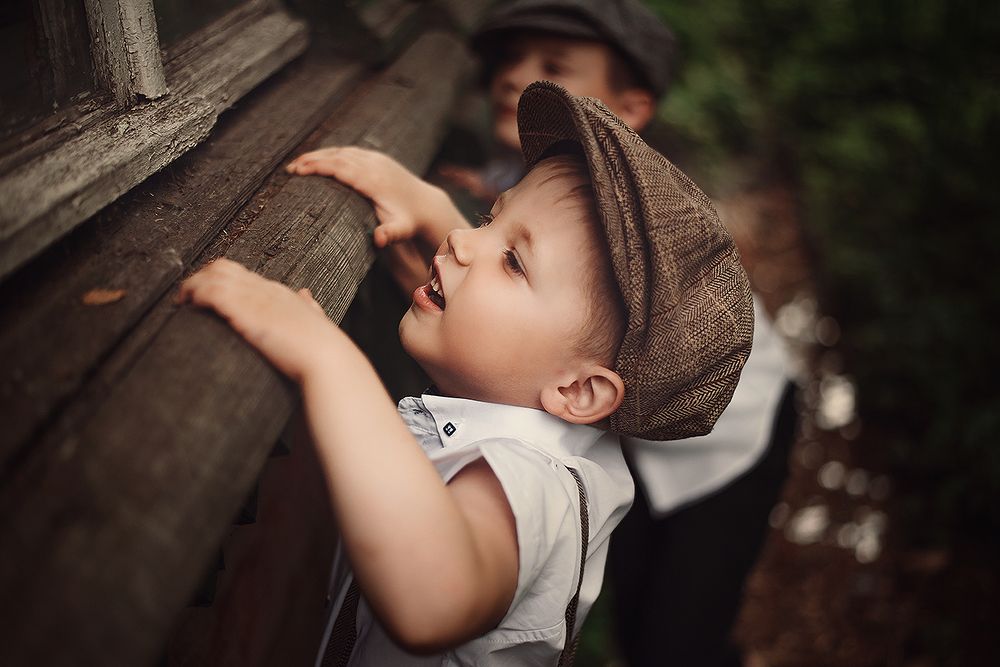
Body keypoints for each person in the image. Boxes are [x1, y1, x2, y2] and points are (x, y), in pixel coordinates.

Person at [177, 81, 754, 665]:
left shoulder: (535, 487)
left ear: (580, 391)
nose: (461, 239)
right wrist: (430, 209)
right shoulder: (543, 404)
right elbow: (518, 339)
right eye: (487, 217)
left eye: (512, 261)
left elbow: (431, 599)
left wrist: (326, 358)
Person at [436, 3, 799, 664]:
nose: (513, 76)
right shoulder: (547, 177)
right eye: (511, 58)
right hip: (631, 441)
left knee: (676, 638)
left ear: (631, 108)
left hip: (735, 438)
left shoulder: (642, 221)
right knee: (634, 610)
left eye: (552, 66)